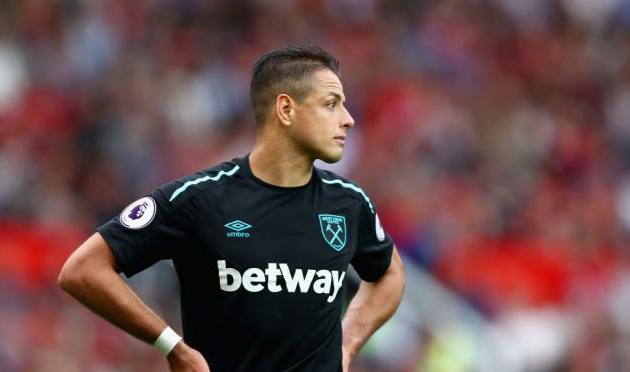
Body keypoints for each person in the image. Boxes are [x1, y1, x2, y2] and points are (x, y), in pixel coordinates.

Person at [58, 45, 405, 372]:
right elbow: (83, 269)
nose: (347, 119)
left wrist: (349, 340)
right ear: (286, 109)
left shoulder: (348, 203)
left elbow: (389, 273)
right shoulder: (202, 199)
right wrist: (172, 347)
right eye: (331, 104)